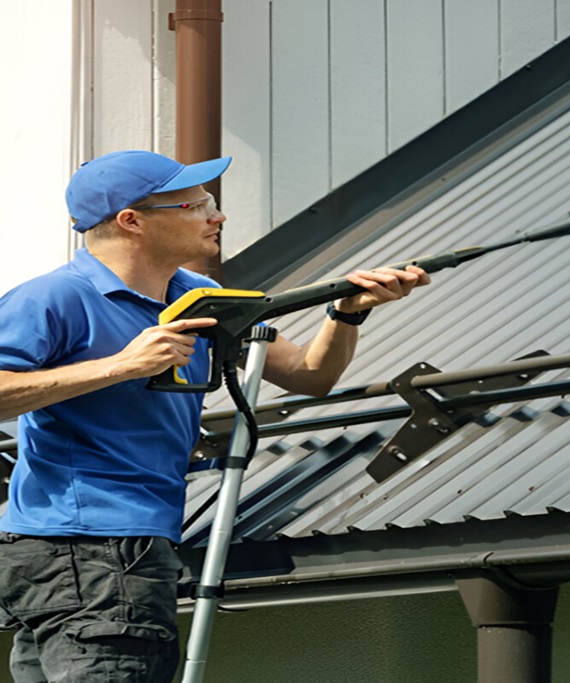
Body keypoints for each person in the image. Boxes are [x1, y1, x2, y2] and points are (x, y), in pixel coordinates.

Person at [0, 150, 430, 681]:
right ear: (131, 221)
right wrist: (121, 366)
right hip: (85, 544)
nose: (217, 215)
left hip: (122, 545)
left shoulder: (199, 295)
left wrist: (348, 312)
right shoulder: (54, 298)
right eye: (197, 204)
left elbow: (308, 375)